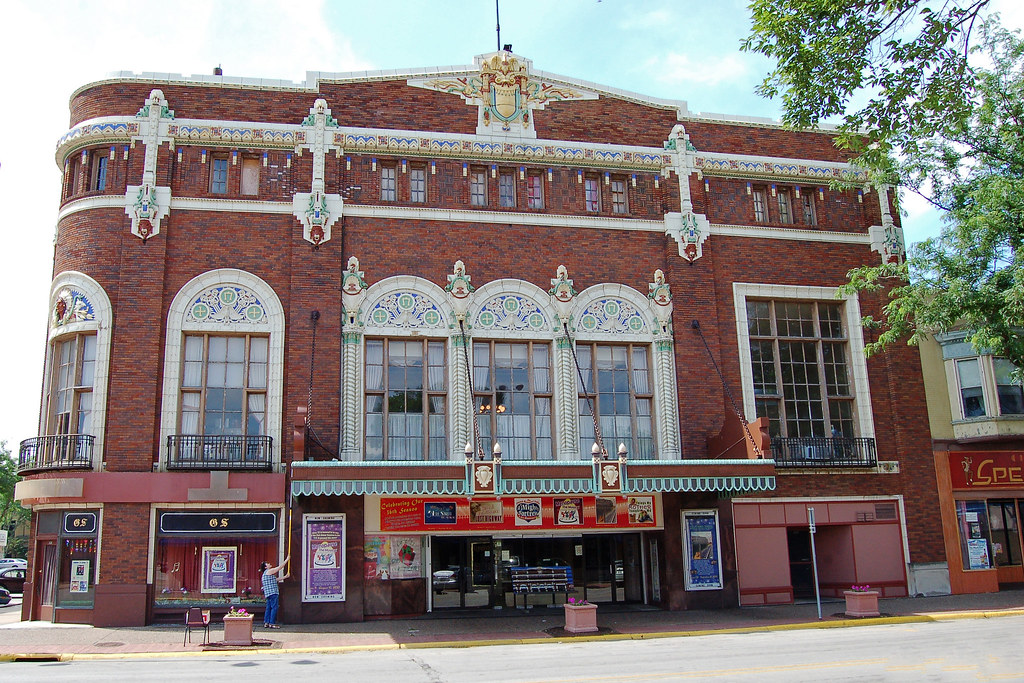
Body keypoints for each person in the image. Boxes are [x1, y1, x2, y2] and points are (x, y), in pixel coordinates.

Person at [260, 555, 289, 628]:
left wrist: (285, 577)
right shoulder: (269, 571)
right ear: (265, 567)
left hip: (268, 593)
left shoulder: (265, 574)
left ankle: (266, 622)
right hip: (273, 592)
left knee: (269, 608)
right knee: (274, 607)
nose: (269, 563)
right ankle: (272, 623)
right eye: (267, 564)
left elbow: (275, 579)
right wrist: (287, 560)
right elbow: (279, 568)